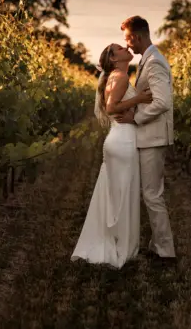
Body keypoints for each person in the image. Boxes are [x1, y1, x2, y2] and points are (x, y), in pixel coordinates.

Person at [71, 43, 153, 268]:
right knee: (123, 194)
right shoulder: (121, 77)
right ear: (114, 59)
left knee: (117, 193)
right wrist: (138, 100)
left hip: (119, 139)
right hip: (123, 141)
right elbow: (111, 107)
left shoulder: (118, 75)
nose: (126, 47)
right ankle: (122, 248)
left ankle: (116, 242)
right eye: (120, 48)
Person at [114, 16, 176, 261]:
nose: (127, 45)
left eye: (127, 39)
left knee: (152, 194)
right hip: (150, 137)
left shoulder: (155, 63)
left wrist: (135, 118)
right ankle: (156, 244)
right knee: (151, 193)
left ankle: (166, 252)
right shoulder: (148, 60)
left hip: (153, 137)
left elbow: (162, 102)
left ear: (137, 37)